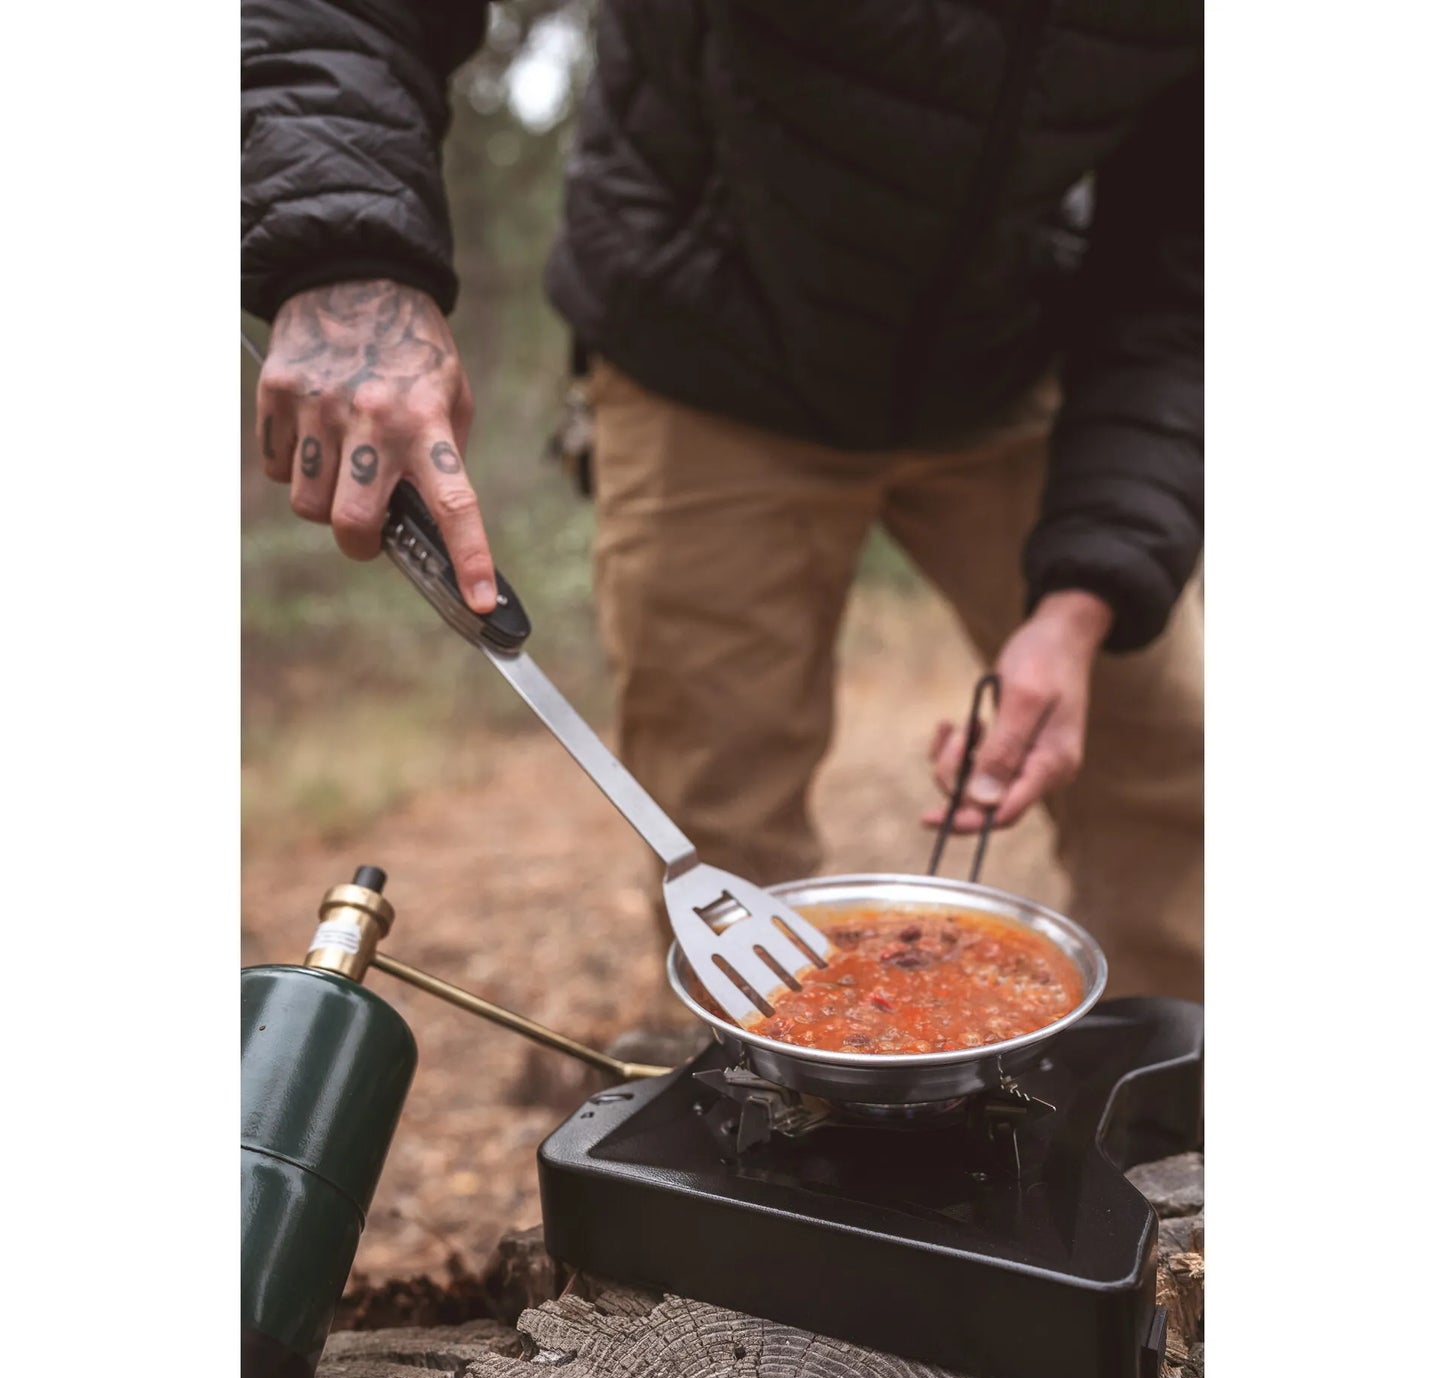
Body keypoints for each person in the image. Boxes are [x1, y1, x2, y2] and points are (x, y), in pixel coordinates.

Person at [242, 1, 1204, 1001]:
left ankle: (1173, 1119)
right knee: (721, 818)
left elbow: (1180, 260)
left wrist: (1083, 596)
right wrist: (344, 254)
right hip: (706, 352)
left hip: (1012, 364)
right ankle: (763, 1128)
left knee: (1170, 772)